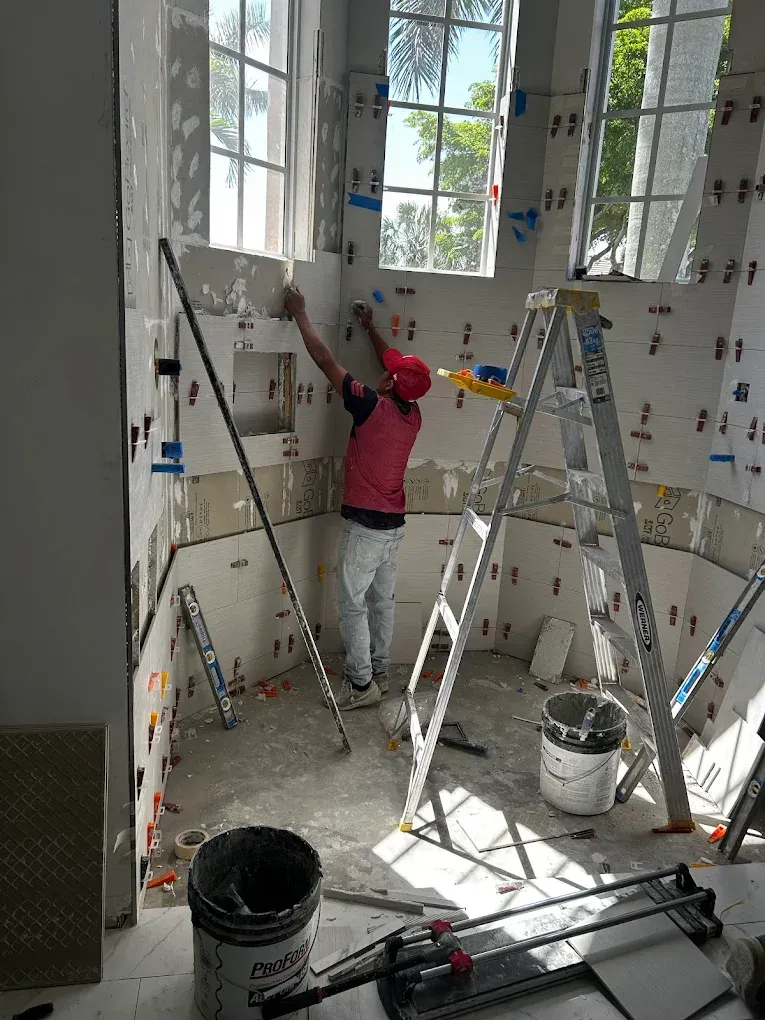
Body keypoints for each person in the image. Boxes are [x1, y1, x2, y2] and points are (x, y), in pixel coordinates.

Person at [284, 287, 431, 710]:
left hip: (366, 529)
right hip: (393, 528)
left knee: (352, 606)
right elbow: (394, 364)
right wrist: (369, 328)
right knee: (381, 602)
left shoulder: (370, 406)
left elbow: (325, 361)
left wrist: (300, 314)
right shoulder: (413, 414)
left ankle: (362, 685)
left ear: (391, 383)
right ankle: (380, 674)